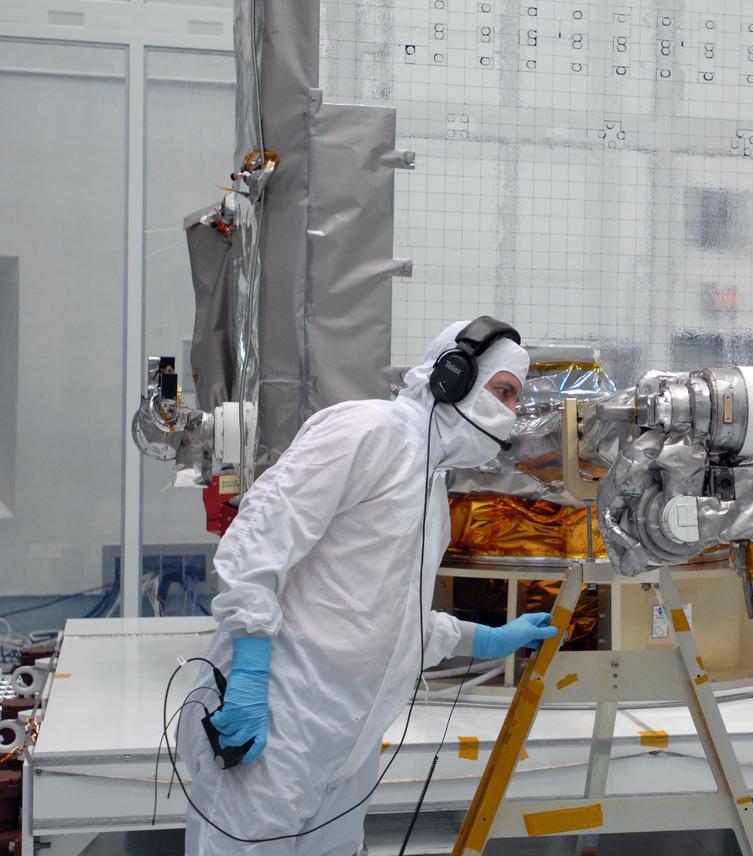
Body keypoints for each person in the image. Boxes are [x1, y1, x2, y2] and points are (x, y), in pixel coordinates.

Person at [177, 318, 556, 855]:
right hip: (282, 720)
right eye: (504, 391)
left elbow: (383, 617)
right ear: (453, 375)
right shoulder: (368, 431)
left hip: (346, 743)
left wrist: (484, 640)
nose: (511, 414)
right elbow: (259, 540)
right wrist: (250, 673)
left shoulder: (430, 486)